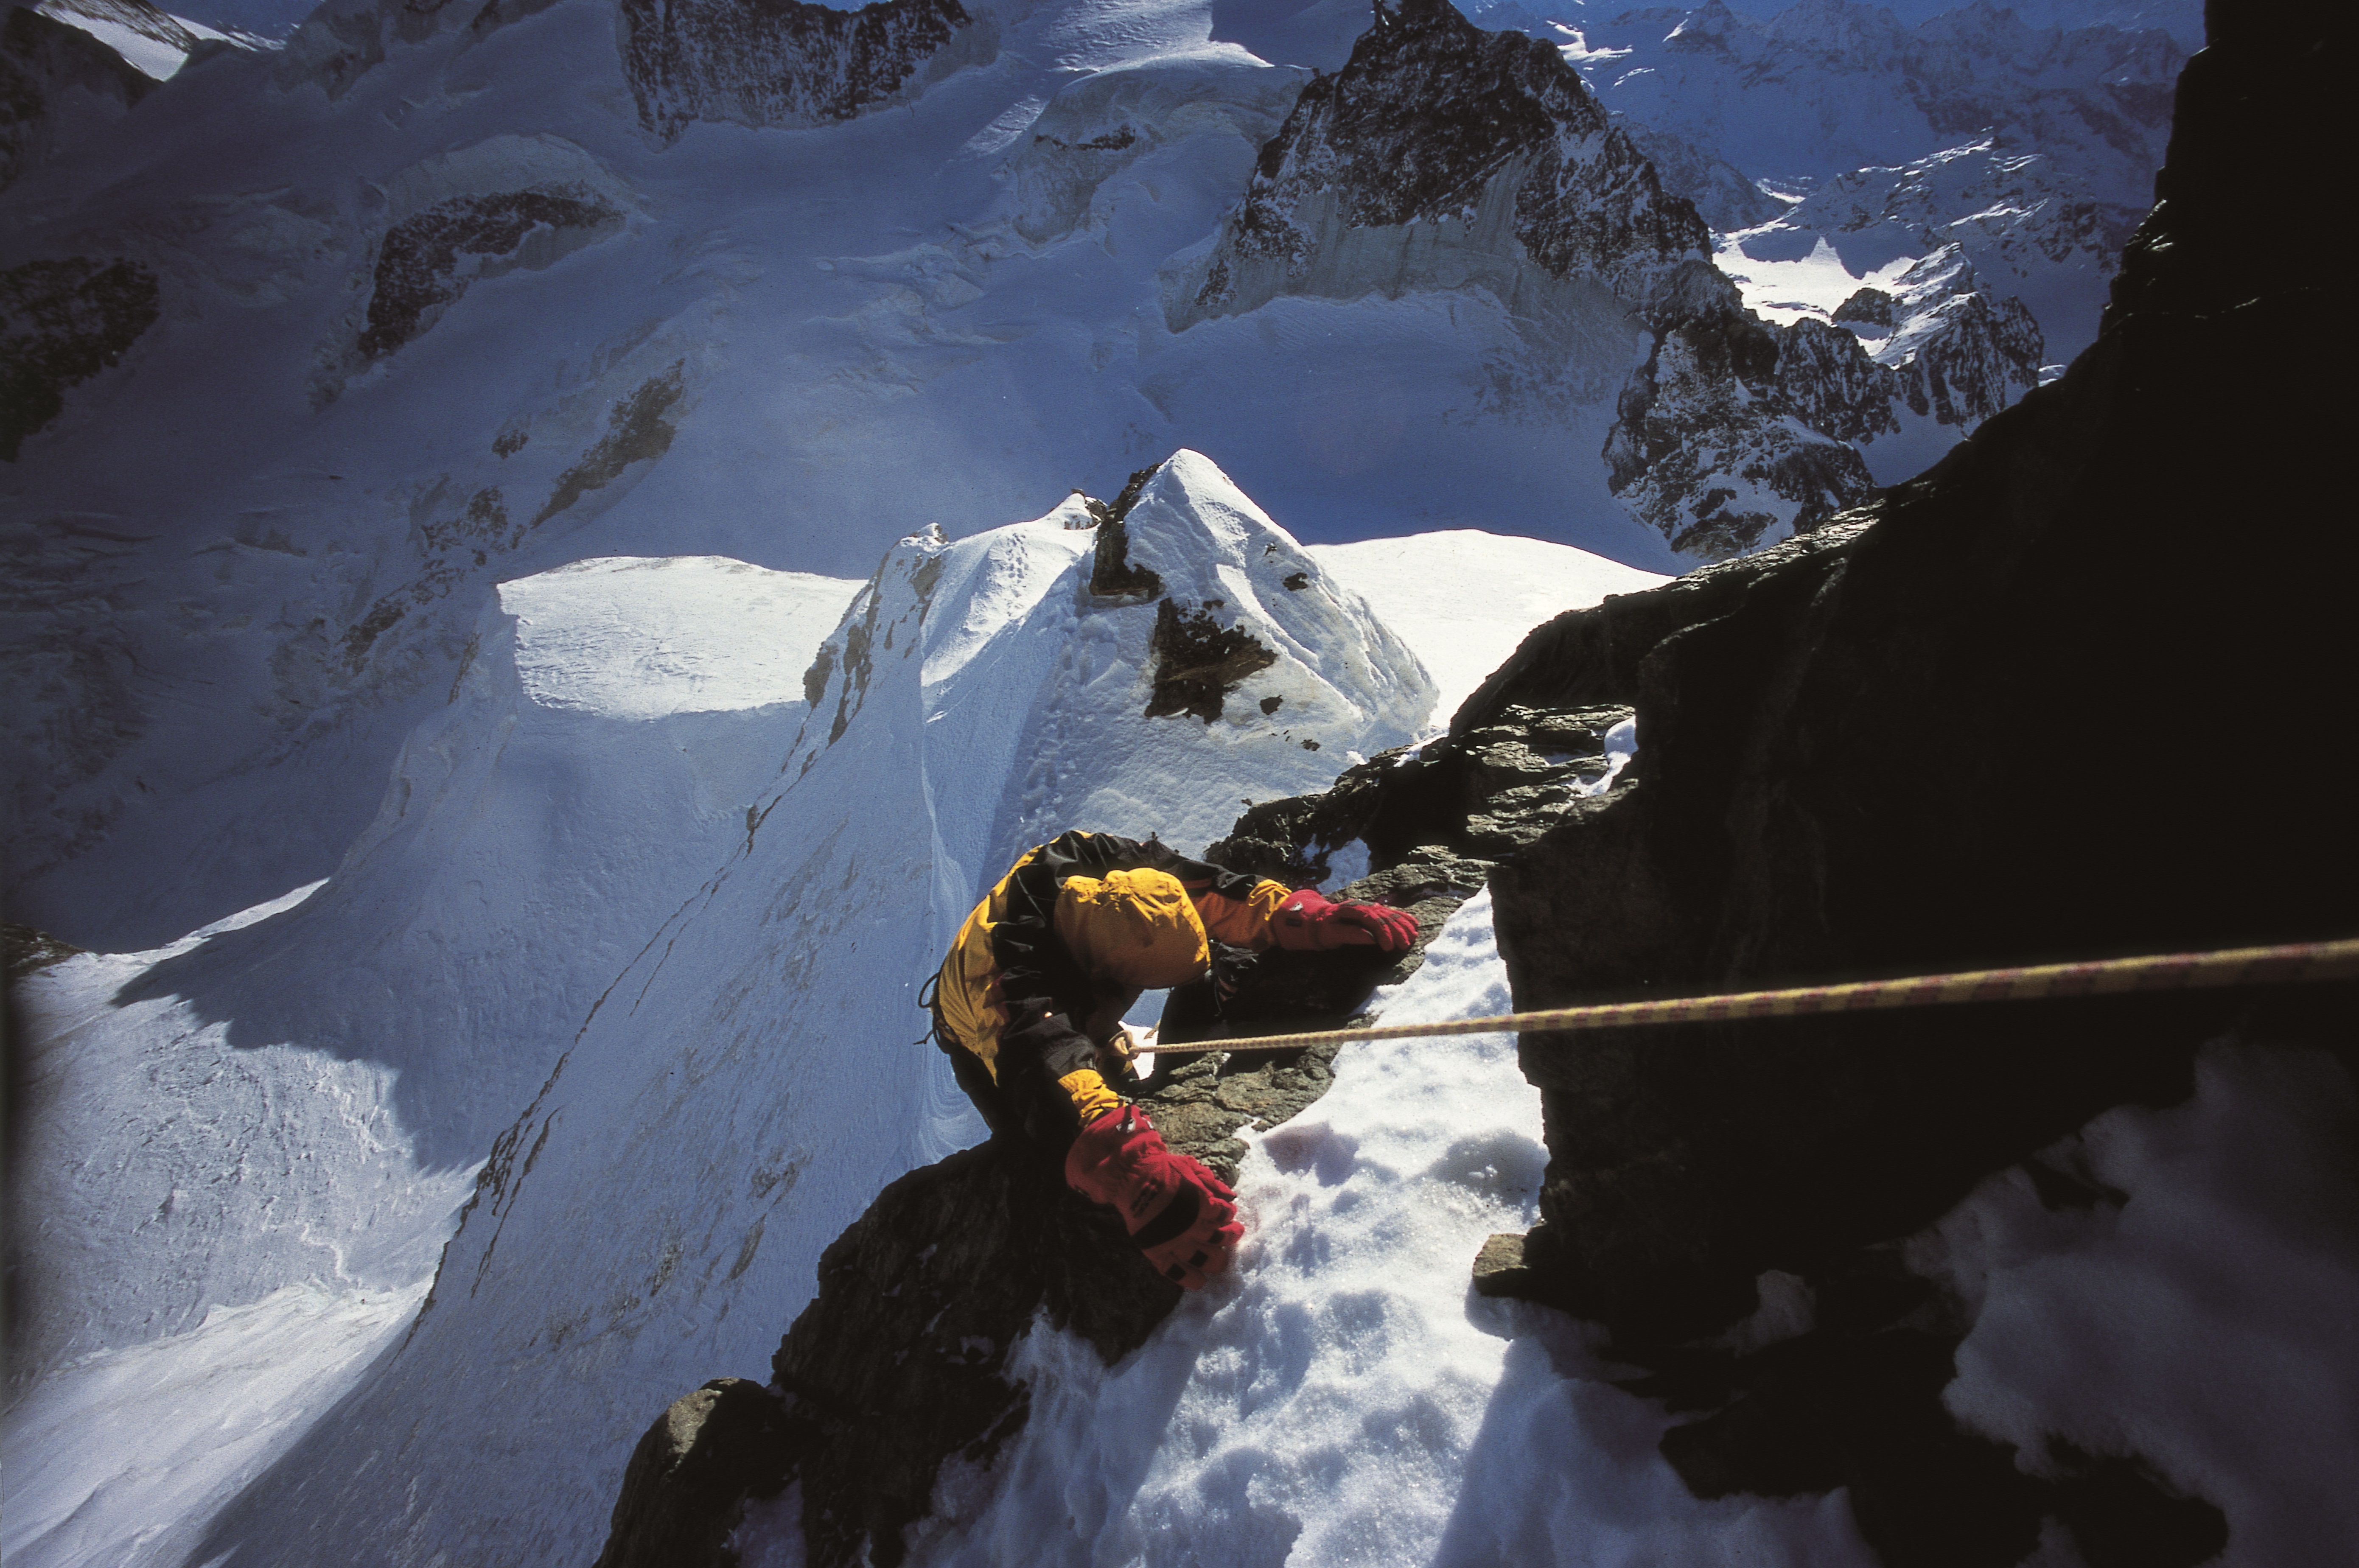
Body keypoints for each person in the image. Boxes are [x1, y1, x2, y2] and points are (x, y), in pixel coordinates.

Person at [926, 830, 1419, 1288]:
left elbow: (1212, 890)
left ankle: (1110, 1068)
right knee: (1030, 1144)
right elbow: (1042, 1064)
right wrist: (1128, 1169)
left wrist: (1298, 915)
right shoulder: (1007, 991)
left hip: (1059, 970)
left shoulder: (1097, 861)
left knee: (1102, 1082)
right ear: (1099, 975)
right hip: (968, 1024)